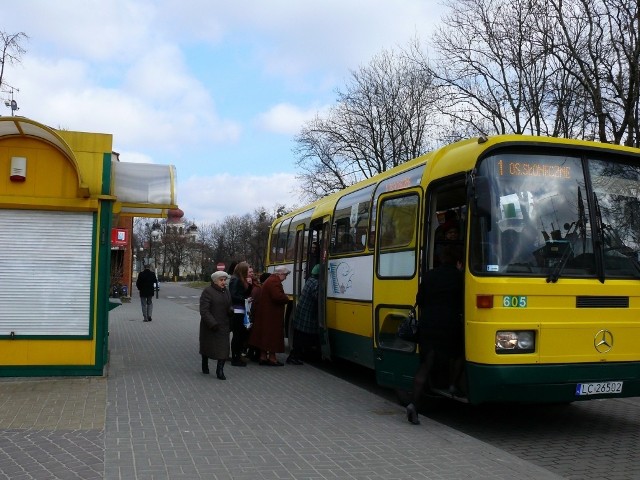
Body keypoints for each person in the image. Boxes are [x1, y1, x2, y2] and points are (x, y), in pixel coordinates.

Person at [406, 246, 464, 425]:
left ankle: (413, 404)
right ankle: (453, 384)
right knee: (458, 354)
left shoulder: (429, 276)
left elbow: (419, 300)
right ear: (458, 262)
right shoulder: (460, 277)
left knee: (425, 366)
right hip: (450, 325)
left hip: (429, 325)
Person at [251, 266, 290, 366]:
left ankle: (263, 357)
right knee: (272, 337)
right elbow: (277, 296)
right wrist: (286, 298)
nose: (286, 277)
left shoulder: (270, 280)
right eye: (285, 275)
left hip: (266, 314)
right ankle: (272, 359)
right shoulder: (274, 282)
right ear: (280, 273)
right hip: (272, 316)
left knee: (265, 336)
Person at [199, 271, 233, 380]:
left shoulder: (226, 292)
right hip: (210, 326)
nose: (223, 282)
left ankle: (220, 370)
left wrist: (231, 310)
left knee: (223, 348)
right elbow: (204, 310)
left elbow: (229, 305)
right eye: (221, 280)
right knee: (207, 346)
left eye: (224, 280)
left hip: (224, 325)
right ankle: (205, 363)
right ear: (215, 281)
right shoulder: (208, 292)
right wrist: (212, 323)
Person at [287, 264, 320, 365]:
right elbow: (317, 297)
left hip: (302, 313)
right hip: (307, 316)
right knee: (302, 338)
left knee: (299, 337)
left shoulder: (310, 280)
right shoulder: (316, 283)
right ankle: (294, 357)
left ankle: (295, 356)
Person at [228, 262, 254, 366]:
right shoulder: (235, 280)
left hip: (241, 310)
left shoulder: (240, 280)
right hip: (237, 311)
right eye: (248, 269)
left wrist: (250, 285)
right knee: (237, 335)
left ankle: (238, 356)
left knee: (241, 335)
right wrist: (245, 300)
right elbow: (233, 295)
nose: (250, 271)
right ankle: (235, 358)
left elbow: (245, 293)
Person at [246, 272, 272, 362]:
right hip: (255, 316)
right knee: (255, 336)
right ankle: (254, 354)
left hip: (254, 315)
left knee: (254, 336)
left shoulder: (258, 289)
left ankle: (253, 353)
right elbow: (255, 304)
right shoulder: (259, 290)